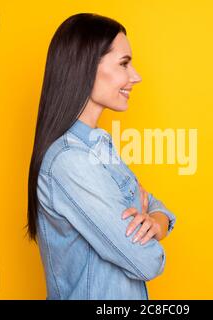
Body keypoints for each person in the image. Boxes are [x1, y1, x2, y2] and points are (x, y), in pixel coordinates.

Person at [26, 13, 176, 300]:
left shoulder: (97, 146)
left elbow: (158, 208)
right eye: (124, 63)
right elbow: (146, 261)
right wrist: (148, 220)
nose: (136, 76)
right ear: (86, 68)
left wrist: (155, 220)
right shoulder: (70, 161)